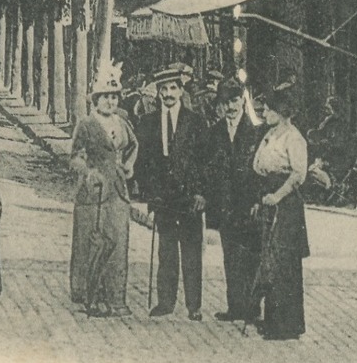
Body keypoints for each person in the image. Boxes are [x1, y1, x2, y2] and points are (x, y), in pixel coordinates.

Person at [133, 64, 210, 320]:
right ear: (157, 92)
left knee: (191, 251)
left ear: (181, 90)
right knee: (166, 251)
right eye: (163, 89)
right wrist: (149, 195)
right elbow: (143, 163)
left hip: (189, 197)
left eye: (173, 88)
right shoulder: (147, 122)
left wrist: (201, 193)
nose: (168, 93)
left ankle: (194, 305)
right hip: (163, 197)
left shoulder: (196, 122)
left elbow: (204, 161)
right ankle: (165, 302)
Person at [69, 66, 140, 317]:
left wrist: (129, 166)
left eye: (114, 97)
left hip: (118, 190)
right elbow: (75, 157)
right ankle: (90, 297)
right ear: (95, 98)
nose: (110, 101)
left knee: (118, 242)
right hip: (94, 193)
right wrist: (89, 173)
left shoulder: (122, 123)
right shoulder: (86, 124)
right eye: (105, 96)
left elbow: (133, 146)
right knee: (92, 243)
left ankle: (116, 298)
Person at [249, 86, 311, 341]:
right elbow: (259, 164)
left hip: (285, 204)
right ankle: (271, 319)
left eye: (270, 109)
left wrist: (277, 196)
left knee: (283, 263)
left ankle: (286, 324)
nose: (264, 112)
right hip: (268, 197)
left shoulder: (294, 138)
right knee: (268, 257)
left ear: (282, 112)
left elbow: (298, 175)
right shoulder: (270, 134)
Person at [204, 80, 263, 323]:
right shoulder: (215, 132)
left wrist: (258, 199)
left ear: (243, 101)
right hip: (226, 205)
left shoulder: (255, 132)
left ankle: (252, 309)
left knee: (250, 255)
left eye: (234, 100)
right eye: (225, 102)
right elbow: (210, 169)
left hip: (248, 204)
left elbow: (261, 171)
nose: (230, 107)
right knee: (230, 256)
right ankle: (235, 306)